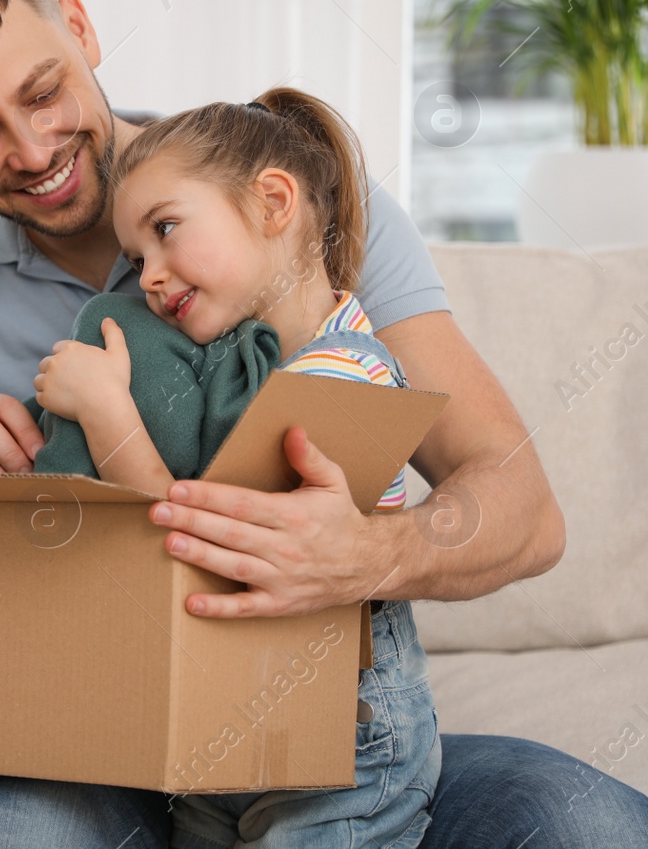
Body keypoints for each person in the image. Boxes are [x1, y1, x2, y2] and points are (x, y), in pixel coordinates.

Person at [0, 0, 648, 846]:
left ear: (79, 27)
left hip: (317, 720)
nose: (32, 150)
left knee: (582, 824)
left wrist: (371, 554)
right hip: (91, 740)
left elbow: (525, 511)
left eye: (44, 91)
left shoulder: (296, 195)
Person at [35, 89, 439, 848]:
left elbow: (209, 550)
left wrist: (107, 413)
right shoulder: (242, 378)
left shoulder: (345, 376)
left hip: (337, 743)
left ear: (273, 201)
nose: (149, 276)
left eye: (165, 231)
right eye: (136, 258)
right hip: (227, 725)